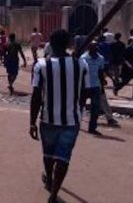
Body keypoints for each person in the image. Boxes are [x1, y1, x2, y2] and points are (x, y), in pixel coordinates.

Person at [30, 29, 90, 203]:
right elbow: (85, 92)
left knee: (48, 155)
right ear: (68, 44)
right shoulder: (81, 64)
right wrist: (77, 108)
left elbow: (36, 96)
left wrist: (32, 123)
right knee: (64, 157)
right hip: (71, 121)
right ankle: (54, 194)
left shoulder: (41, 65)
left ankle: (49, 178)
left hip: (48, 119)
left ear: (50, 44)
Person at [80, 41, 106, 135]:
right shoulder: (83, 58)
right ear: (89, 48)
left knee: (95, 108)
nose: (95, 50)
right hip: (84, 86)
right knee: (80, 106)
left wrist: (102, 86)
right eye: (93, 48)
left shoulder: (100, 58)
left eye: (96, 48)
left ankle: (92, 128)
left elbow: (100, 72)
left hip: (96, 86)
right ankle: (76, 124)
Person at [115, 35, 133, 100]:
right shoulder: (128, 48)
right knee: (125, 81)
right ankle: (117, 88)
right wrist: (128, 65)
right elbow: (123, 58)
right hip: (128, 69)